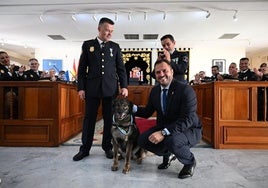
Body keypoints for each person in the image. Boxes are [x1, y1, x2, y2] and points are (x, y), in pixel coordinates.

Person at [134, 59, 202, 179]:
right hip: (166, 126)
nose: (161, 74)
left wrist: (163, 132)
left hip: (188, 129)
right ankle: (169, 154)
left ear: (171, 71)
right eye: (158, 72)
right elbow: (147, 112)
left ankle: (190, 162)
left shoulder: (185, 90)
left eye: (164, 71)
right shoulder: (155, 91)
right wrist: (131, 108)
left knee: (172, 141)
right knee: (143, 140)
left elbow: (188, 119)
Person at [73, 17, 128, 161]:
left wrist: (124, 86)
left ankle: (108, 147)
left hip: (110, 90)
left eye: (111, 31)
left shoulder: (115, 47)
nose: (109, 33)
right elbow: (82, 68)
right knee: (89, 119)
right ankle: (84, 149)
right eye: (107, 30)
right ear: (99, 29)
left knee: (109, 120)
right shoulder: (88, 45)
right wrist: (81, 88)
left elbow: (121, 69)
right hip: (91, 89)